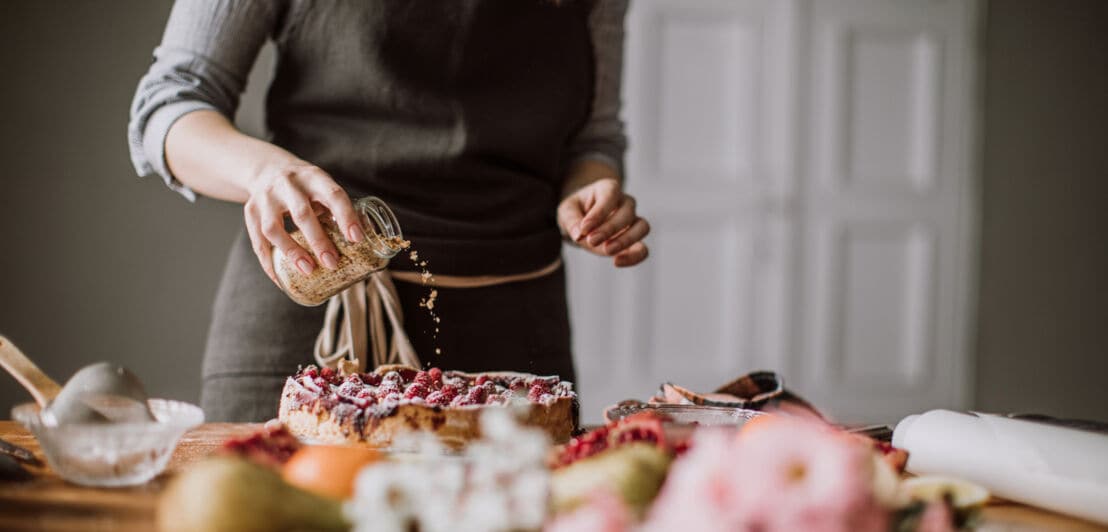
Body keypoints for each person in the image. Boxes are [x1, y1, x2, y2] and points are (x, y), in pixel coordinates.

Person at [128, 0, 649, 422]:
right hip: (311, 306)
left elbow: (594, 137)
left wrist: (590, 189)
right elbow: (170, 102)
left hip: (513, 326)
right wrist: (264, 173)